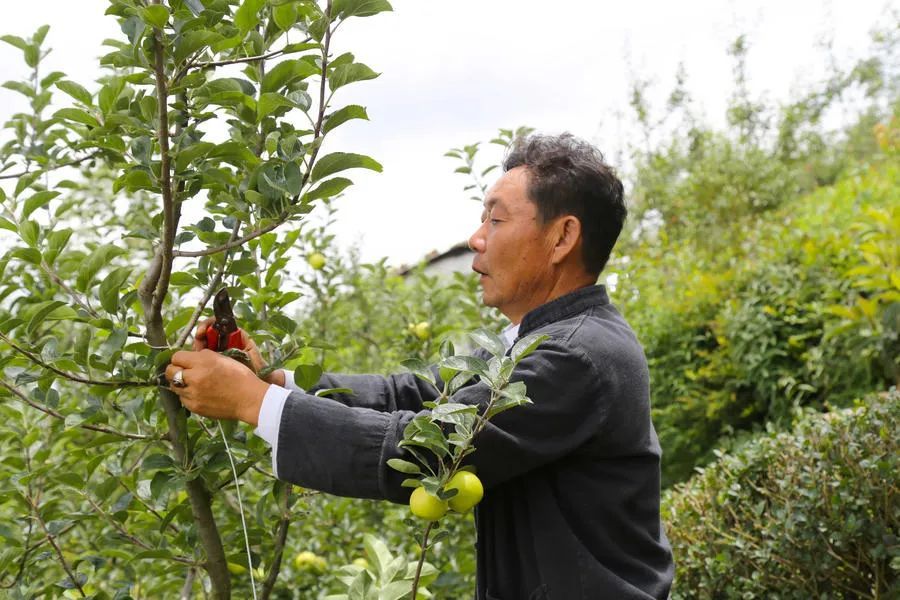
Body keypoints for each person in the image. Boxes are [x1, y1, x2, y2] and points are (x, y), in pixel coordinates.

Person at [166, 133, 675, 599]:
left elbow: (432, 447)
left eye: (495, 220)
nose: (477, 238)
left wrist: (256, 404)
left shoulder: (576, 356)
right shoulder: (535, 342)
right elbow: (414, 395)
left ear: (562, 238)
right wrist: (275, 379)